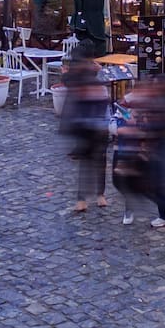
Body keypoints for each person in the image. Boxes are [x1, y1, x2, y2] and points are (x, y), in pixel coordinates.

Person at [128, 78, 165, 228]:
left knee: (161, 179)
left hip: (163, 142)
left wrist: (147, 126)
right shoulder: (163, 100)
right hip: (159, 142)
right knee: (159, 178)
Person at [59, 58, 110, 214]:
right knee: (95, 163)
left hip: (92, 129)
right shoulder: (98, 87)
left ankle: (86, 198)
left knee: (89, 164)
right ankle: (96, 196)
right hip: (96, 129)